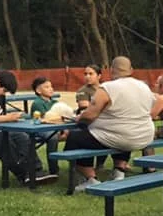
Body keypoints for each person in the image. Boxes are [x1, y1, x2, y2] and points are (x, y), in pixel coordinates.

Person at [64, 56, 156, 192]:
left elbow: (89, 115)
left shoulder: (107, 88)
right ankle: (119, 170)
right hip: (144, 136)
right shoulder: (144, 87)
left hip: (120, 136)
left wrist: (79, 118)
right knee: (122, 133)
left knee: (75, 138)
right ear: (131, 70)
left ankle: (90, 178)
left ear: (111, 70)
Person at [0, 70, 53, 184]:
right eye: (4, 90)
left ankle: (36, 170)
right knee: (5, 142)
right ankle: (23, 175)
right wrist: (8, 118)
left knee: (22, 136)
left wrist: (13, 118)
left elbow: (0, 116)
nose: (4, 94)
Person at [30, 76, 63, 176]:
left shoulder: (55, 102)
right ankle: (53, 169)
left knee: (74, 134)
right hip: (40, 129)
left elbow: (64, 116)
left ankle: (76, 165)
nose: (51, 89)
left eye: (51, 86)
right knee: (52, 137)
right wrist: (59, 118)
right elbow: (46, 119)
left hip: (56, 127)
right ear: (38, 91)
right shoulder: (37, 103)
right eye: (47, 87)